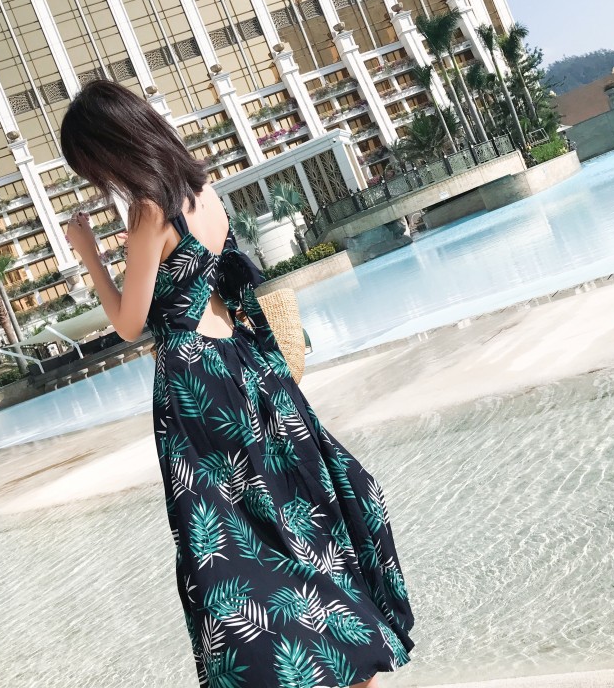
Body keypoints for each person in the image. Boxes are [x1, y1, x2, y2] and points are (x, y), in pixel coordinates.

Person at [60, 80, 414, 688]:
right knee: (295, 525)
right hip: (246, 370)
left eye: (92, 164)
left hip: (196, 387)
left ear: (111, 147)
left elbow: (128, 323)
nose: (98, 179)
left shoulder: (148, 211)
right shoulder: (203, 192)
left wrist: (88, 253)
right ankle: (356, 664)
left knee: (229, 553)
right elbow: (222, 284)